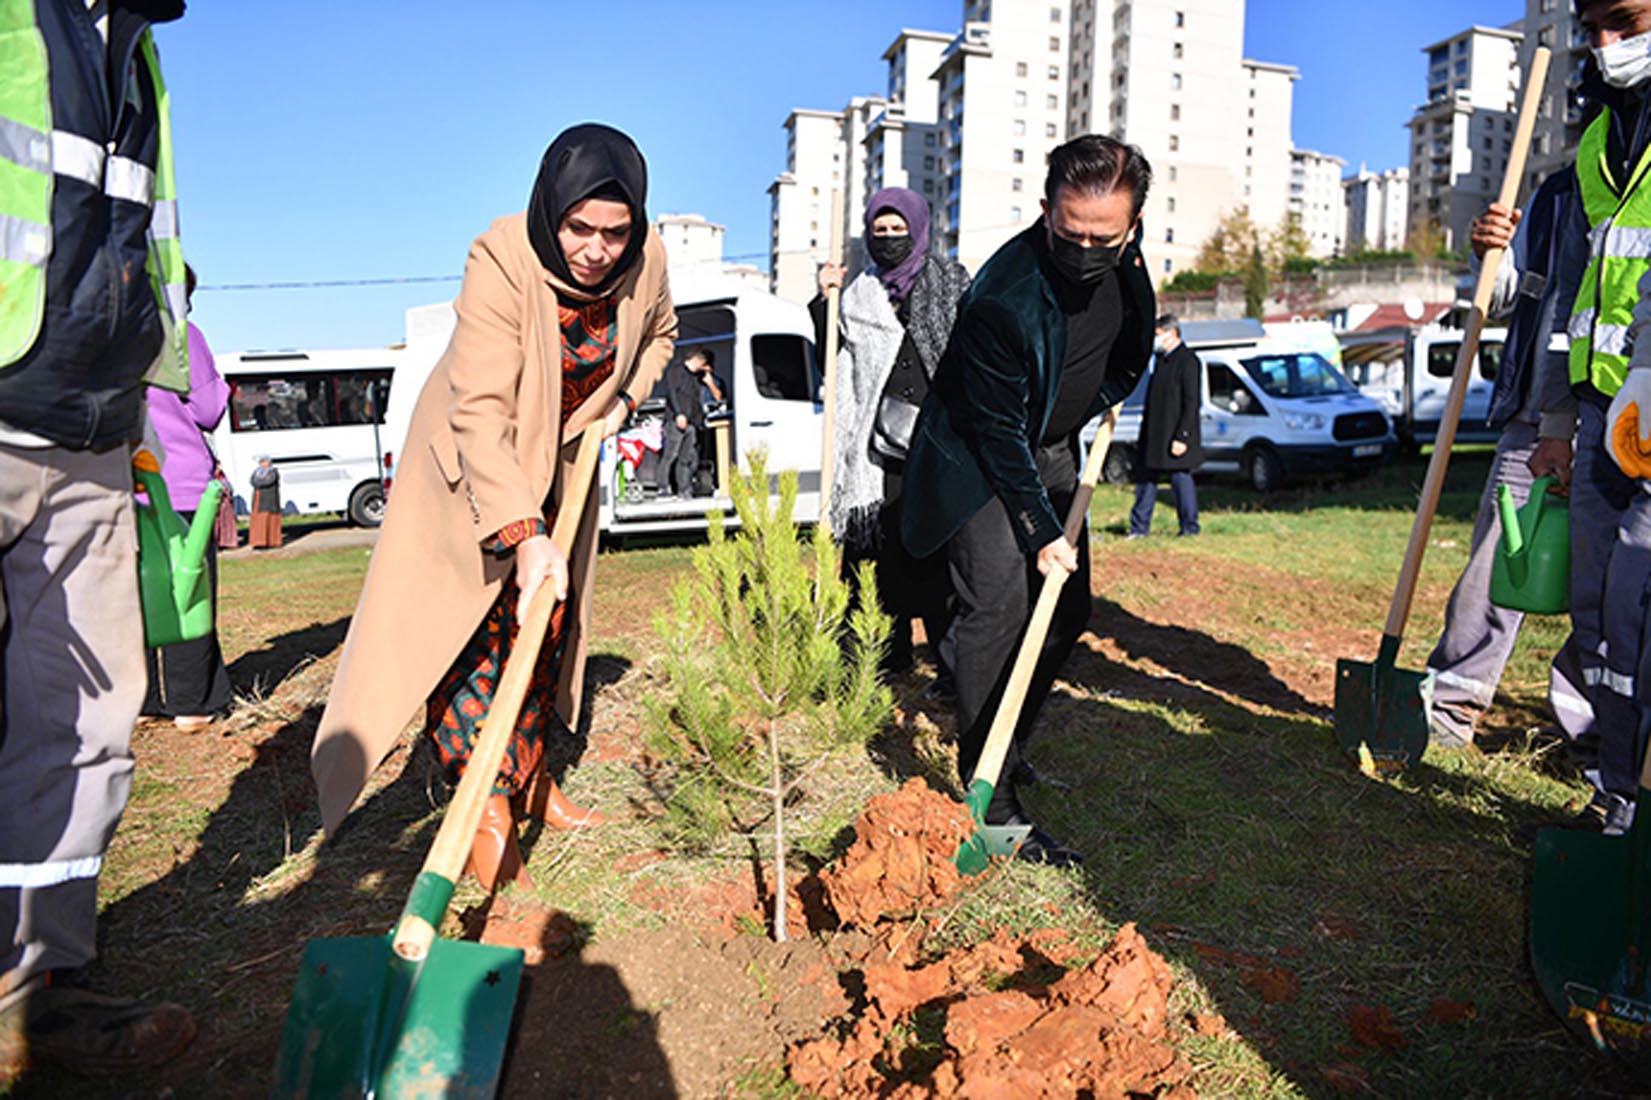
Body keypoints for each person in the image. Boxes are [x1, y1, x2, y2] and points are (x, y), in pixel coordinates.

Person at [312, 124, 677, 891]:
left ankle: (531, 776)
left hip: (560, 471)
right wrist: (522, 532)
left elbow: (662, 338)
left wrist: (625, 401)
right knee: (474, 636)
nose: (595, 250)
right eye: (579, 227)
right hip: (471, 471)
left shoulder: (647, 259)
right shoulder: (502, 256)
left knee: (542, 631)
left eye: (614, 233)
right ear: (551, 210)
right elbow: (478, 407)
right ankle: (485, 807)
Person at [0, 0, 197, 1074]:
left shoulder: (139, 49)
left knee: (87, 723)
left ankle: (38, 987)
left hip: (92, 428)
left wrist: (143, 389)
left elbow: (146, 236)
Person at [901, 135, 1156, 865]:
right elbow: (997, 435)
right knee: (1000, 608)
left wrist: (1092, 402)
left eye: (1103, 239)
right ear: (1046, 211)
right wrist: (1040, 529)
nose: (1085, 252)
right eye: (1070, 235)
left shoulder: (1129, 261)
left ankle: (1005, 741)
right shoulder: (1001, 300)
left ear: (1131, 227)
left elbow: (1124, 345)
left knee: (1068, 611)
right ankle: (990, 795)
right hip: (978, 463)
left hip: (1051, 444)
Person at [1422, 176, 1595, 770]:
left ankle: (1590, 739)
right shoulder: (1560, 192)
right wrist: (1488, 256)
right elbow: (1504, 299)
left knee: (1610, 588)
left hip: (1623, 421)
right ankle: (1449, 707)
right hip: (1536, 414)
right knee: (1498, 564)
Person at [1541, 0, 1651, 835]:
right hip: (1599, 411)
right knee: (1598, 615)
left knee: (1637, 611)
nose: (1604, 46)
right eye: (1591, 31)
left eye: (1625, 22)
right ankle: (1612, 795)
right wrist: (1555, 414)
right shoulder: (1594, 141)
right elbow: (1573, 288)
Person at [812, 187, 970, 676]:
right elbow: (829, 358)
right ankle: (882, 657)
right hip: (875, 451)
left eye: (898, 229)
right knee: (877, 556)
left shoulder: (950, 284)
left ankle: (952, 669)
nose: (889, 239)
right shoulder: (856, 294)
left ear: (918, 229)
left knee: (939, 555)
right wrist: (824, 300)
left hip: (937, 444)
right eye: (879, 231)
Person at [142, 266, 234, 729]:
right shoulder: (181, 333)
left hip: (122, 481)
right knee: (188, 589)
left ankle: (139, 700)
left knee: (135, 594)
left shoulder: (106, 333)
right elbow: (209, 409)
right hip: (177, 483)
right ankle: (191, 703)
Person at [1128, 314, 1202, 538]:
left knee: (1180, 478)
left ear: (1173, 333)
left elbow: (1191, 402)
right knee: (1146, 479)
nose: (1156, 340)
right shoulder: (1160, 361)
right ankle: (1139, 528)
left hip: (1175, 433)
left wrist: (1182, 436)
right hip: (1154, 433)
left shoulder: (1188, 361)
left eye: (1159, 335)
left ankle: (1189, 527)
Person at [660, 348, 722, 497]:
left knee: (686, 458)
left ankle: (684, 489)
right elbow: (672, 393)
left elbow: (718, 397)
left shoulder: (696, 377)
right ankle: (663, 487)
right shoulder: (676, 371)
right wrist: (678, 413)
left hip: (692, 422)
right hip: (677, 420)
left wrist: (709, 382)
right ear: (701, 362)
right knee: (670, 455)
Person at [247, 455, 283, 550]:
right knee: (258, 521)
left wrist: (259, 482)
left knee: (269, 519)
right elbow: (252, 481)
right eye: (261, 462)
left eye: (264, 461)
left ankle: (271, 542)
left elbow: (268, 481)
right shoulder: (256, 472)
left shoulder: (273, 472)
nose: (263, 464)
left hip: (269, 500)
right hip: (258, 499)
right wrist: (259, 482)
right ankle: (258, 542)